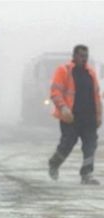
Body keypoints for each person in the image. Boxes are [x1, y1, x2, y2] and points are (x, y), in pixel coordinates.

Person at [49, 45, 102, 185]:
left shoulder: (91, 73)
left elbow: (96, 96)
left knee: (90, 145)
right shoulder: (64, 70)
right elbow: (55, 92)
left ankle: (87, 175)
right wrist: (63, 108)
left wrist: (98, 116)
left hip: (88, 118)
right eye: (81, 56)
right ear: (74, 56)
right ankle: (54, 163)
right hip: (70, 117)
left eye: (86, 56)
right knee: (67, 144)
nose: (84, 59)